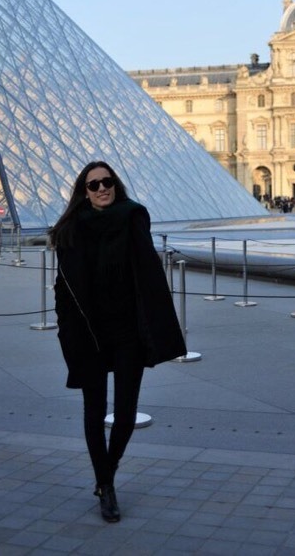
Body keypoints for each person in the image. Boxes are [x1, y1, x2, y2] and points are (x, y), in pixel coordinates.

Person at [51, 161, 186, 523]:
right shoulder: (71, 229)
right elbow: (63, 286)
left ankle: (105, 477)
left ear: (116, 184)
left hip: (127, 330)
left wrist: (159, 326)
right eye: (93, 185)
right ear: (84, 190)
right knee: (94, 411)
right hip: (88, 332)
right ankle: (106, 487)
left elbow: (150, 273)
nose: (101, 189)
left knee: (125, 413)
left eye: (107, 182)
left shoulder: (132, 217)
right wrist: (66, 329)